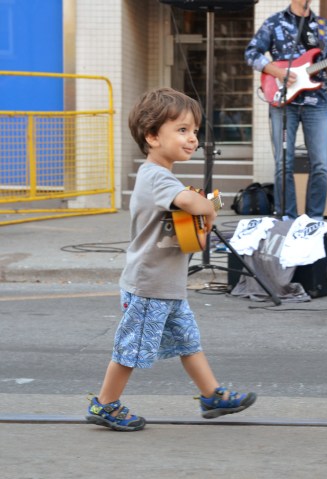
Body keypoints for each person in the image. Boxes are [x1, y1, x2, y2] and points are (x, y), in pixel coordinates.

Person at [85, 88, 257, 431]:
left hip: (167, 285)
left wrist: (205, 216)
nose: (192, 138)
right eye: (182, 130)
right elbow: (195, 204)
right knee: (132, 348)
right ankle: (104, 404)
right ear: (151, 137)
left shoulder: (164, 177)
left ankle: (212, 396)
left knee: (188, 341)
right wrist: (209, 207)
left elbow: (182, 231)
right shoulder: (155, 176)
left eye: (194, 131)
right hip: (149, 285)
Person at [245, 0, 327, 221]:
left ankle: (314, 219)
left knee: (320, 163)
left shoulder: (323, 26)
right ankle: (287, 217)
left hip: (316, 100)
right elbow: (251, 53)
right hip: (283, 101)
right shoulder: (274, 22)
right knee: (283, 162)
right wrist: (276, 72)